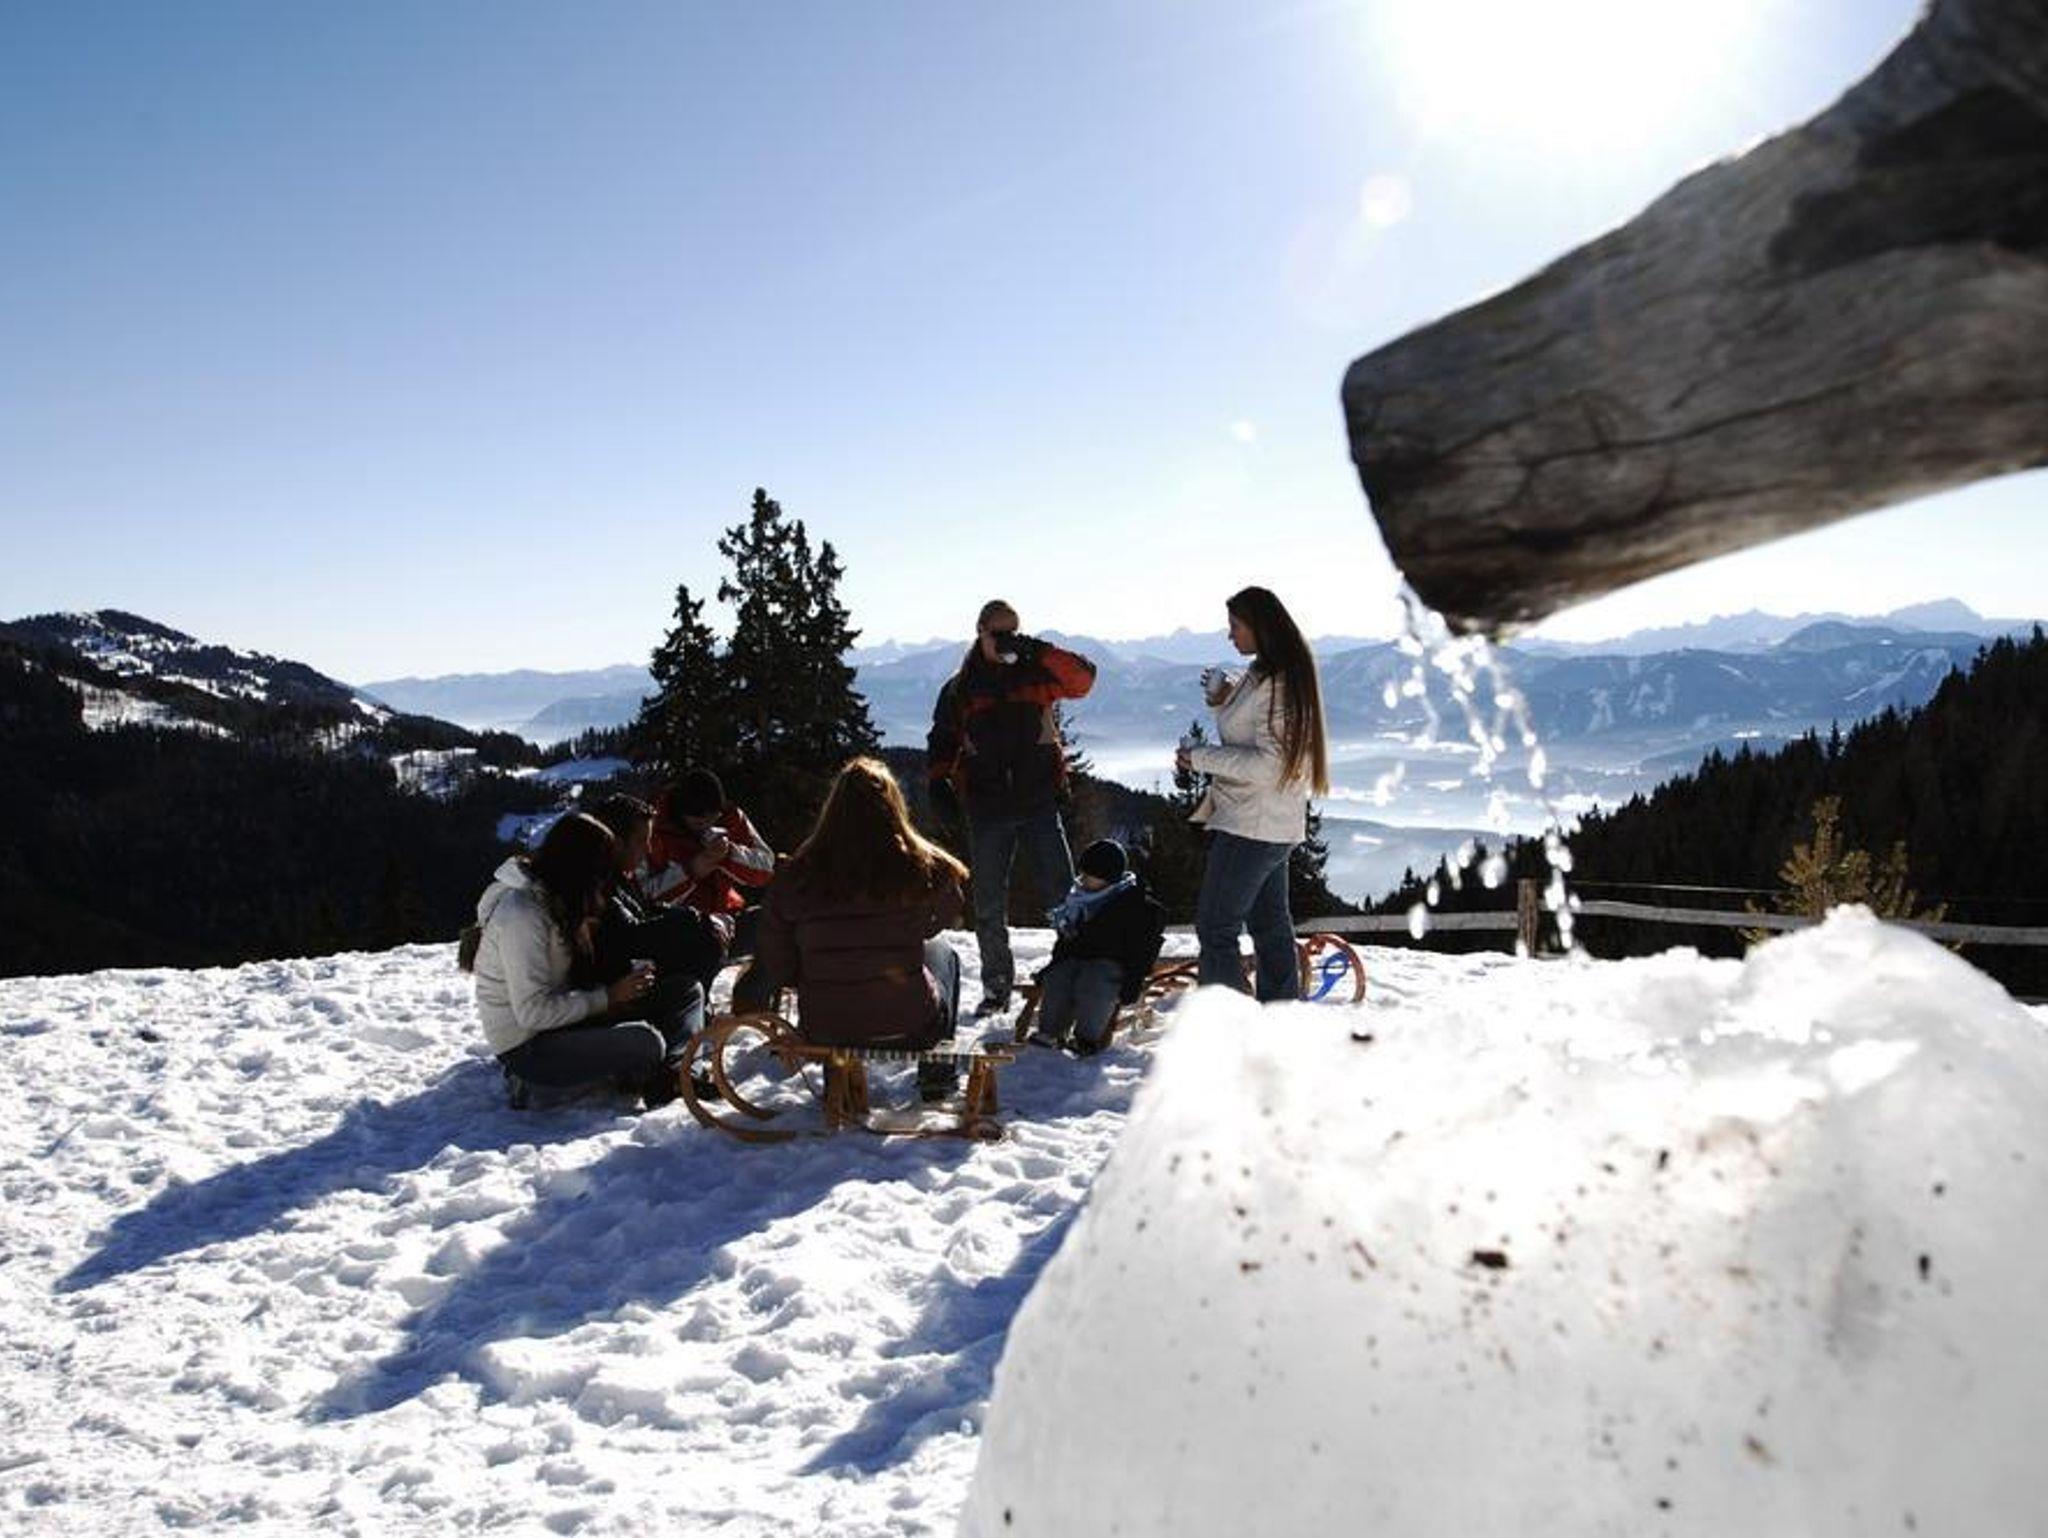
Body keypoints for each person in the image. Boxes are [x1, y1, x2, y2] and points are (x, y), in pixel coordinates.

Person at [755, 757, 969, 1100]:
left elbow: (775, 948)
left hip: (825, 1028)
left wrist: (804, 977)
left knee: (829, 981)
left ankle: (837, 1078)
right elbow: (951, 902)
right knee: (942, 953)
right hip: (910, 1026)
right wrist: (915, 927)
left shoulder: (800, 872)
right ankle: (937, 1075)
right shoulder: (916, 864)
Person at [926, 599, 1097, 1018]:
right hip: (987, 805)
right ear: (980, 633)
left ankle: (1071, 978)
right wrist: (938, 781)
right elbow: (942, 738)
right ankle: (996, 985)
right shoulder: (961, 688)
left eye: (1013, 632)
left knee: (1062, 896)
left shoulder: (1036, 673)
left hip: (1038, 800)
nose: (1006, 641)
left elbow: (1083, 680)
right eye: (999, 634)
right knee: (988, 904)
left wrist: (1036, 649)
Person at [472, 812, 705, 1109]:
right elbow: (532, 1013)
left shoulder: (561, 901)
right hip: (527, 1045)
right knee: (646, 1042)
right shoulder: (523, 915)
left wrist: (618, 991)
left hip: (564, 1022)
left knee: (686, 991)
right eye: (601, 871)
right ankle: (531, 1083)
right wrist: (607, 997)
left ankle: (679, 1075)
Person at [1174, 586, 1330, 1001]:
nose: (1230, 635)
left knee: (1215, 926)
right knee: (1269, 924)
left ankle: (1227, 1021)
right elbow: (1258, 733)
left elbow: (1269, 765)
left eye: (1236, 626)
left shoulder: (1276, 683)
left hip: (1251, 824)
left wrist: (1200, 758)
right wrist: (1222, 699)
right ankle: (1279, 1012)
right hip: (1271, 822)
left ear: (1261, 627)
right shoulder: (1269, 675)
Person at [645, 767, 777, 1007]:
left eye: (712, 819)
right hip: (680, 930)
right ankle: (695, 1010)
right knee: (701, 950)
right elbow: (644, 895)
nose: (706, 825)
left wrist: (729, 855)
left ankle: (751, 1000)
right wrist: (693, 869)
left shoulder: (732, 817)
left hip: (729, 917)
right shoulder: (653, 825)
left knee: (777, 924)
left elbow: (766, 867)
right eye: (698, 821)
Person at [1026, 839, 1166, 1056]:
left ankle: (1086, 1038)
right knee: (1059, 977)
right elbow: (1066, 941)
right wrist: (1052, 966)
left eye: (1091, 875)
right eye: (1084, 874)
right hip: (1079, 956)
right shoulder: (1079, 901)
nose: (1084, 880)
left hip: (1113, 962)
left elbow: (1142, 949)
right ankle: (1051, 1031)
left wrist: (1134, 980)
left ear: (1108, 877)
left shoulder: (1135, 905)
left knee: (1094, 981)